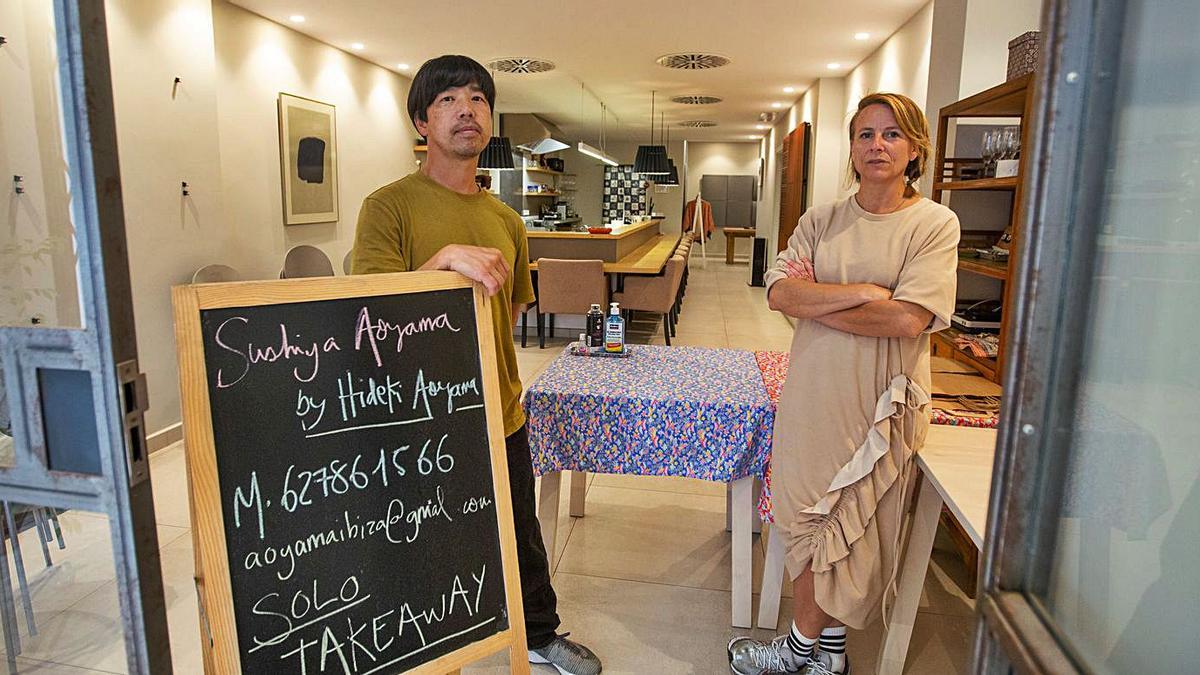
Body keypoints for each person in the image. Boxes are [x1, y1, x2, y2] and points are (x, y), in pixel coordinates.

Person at [351, 55, 602, 675]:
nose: (467, 109)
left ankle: (539, 634)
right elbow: (363, 311)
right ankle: (428, 646)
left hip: (500, 406)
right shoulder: (387, 207)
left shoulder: (506, 220)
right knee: (421, 537)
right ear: (421, 120)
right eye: (447, 100)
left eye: (478, 99)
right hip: (415, 416)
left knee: (519, 530)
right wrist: (441, 261)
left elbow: (509, 314)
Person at [728, 92, 959, 675]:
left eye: (892, 135)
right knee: (802, 515)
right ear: (852, 148)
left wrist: (819, 304)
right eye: (865, 135)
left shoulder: (934, 224)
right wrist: (864, 293)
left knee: (856, 524)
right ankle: (828, 653)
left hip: (883, 399)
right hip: (813, 393)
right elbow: (780, 292)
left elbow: (909, 319)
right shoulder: (821, 220)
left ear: (915, 150)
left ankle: (798, 648)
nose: (877, 145)